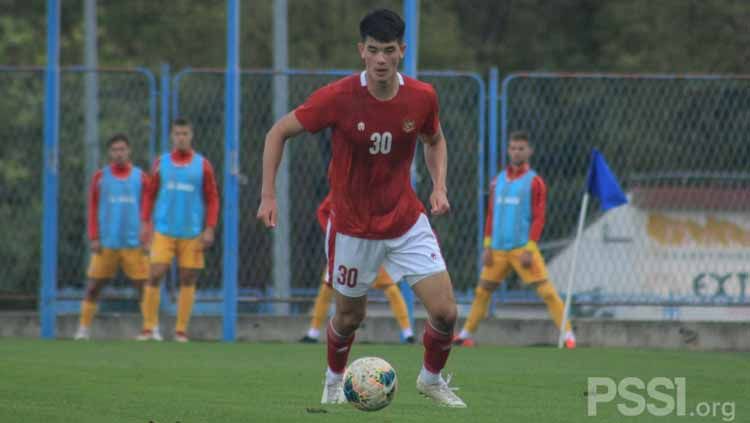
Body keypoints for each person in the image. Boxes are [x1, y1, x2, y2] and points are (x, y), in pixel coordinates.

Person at [257, 9, 466, 408]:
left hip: (405, 221)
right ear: (362, 52)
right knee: (350, 318)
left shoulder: (422, 97)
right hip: (352, 228)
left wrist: (439, 187)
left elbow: (434, 140)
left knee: (445, 311)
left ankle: (430, 379)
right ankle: (335, 381)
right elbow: (278, 132)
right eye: (374, 50)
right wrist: (268, 195)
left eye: (389, 50)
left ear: (402, 51)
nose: (381, 59)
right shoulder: (338, 97)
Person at [453, 131, 576, 349]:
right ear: (508, 150)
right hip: (497, 251)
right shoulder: (497, 181)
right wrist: (487, 245)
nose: (516, 152)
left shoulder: (535, 182)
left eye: (521, 148)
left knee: (547, 292)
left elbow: (539, 217)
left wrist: (530, 248)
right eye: (513, 148)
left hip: (522, 250)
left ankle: (568, 336)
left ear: (529, 151)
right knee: (482, 291)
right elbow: (491, 215)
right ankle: (465, 334)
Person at [138, 117, 220, 342]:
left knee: (188, 278)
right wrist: (145, 222)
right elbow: (149, 194)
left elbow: (212, 198)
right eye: (177, 134)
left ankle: (181, 330)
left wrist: (209, 228)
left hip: (192, 232)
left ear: (191, 136)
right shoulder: (161, 163)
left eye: (185, 133)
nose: (181, 138)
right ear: (172, 136)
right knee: (155, 273)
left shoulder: (202, 165)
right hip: (163, 230)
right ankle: (149, 328)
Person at [300, 194, 414, 344]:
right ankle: (313, 333)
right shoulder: (342, 187)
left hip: (371, 248)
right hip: (345, 250)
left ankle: (408, 333)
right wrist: (333, 233)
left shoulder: (381, 190)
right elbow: (323, 211)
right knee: (327, 287)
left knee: (391, 288)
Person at [74, 134, 150, 340]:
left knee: (143, 287)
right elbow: (92, 208)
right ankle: (83, 329)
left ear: (129, 151)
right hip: (106, 242)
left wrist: (147, 237)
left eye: (122, 149)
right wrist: (94, 237)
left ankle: (151, 329)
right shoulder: (100, 177)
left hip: (134, 242)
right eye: (115, 149)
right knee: (93, 287)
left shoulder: (141, 177)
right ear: (110, 153)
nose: (119, 153)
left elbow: (148, 209)